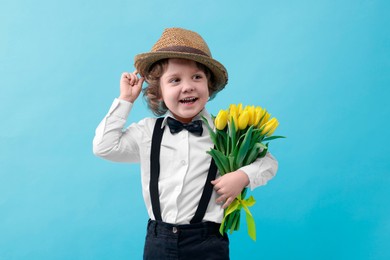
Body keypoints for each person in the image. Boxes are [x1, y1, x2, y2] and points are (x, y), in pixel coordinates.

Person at [93, 27, 278, 260]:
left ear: (209, 87)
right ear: (158, 92)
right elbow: (104, 146)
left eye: (196, 77)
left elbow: (269, 163)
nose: (187, 86)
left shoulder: (227, 131)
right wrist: (125, 100)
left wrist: (243, 176)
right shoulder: (148, 132)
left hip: (207, 242)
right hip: (159, 241)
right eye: (175, 80)